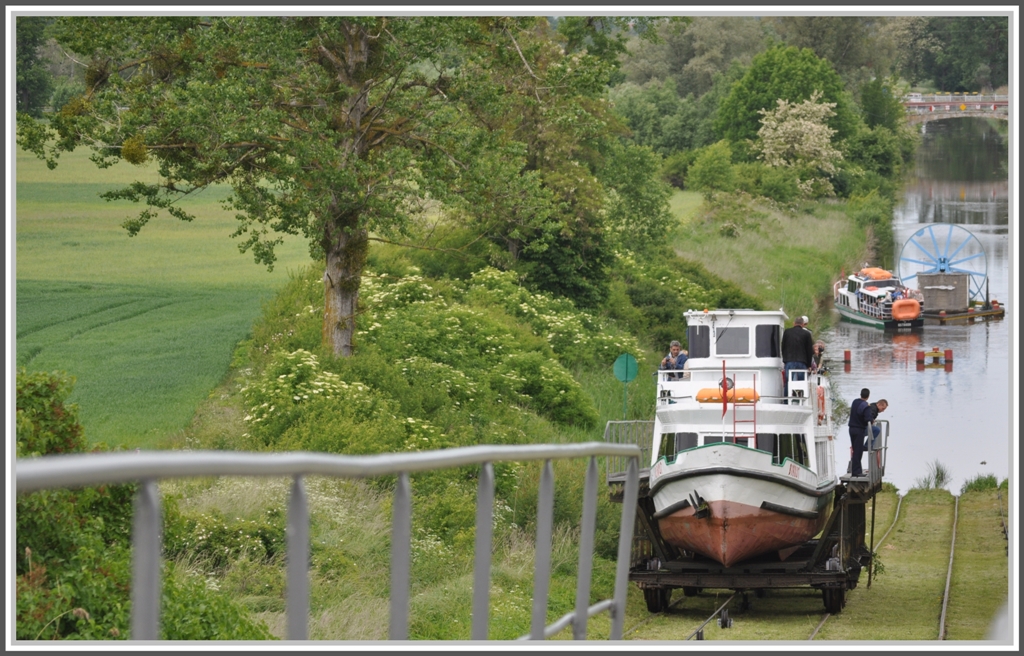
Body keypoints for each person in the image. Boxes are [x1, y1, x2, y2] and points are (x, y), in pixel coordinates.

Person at [781, 315, 815, 396]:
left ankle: (786, 400)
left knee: (788, 382)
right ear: (803, 324)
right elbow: (809, 350)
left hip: (789, 361)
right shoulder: (806, 334)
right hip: (802, 361)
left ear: (794, 323)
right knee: (801, 382)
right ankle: (801, 399)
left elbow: (783, 347)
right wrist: (809, 365)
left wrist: (784, 360)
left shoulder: (787, 332)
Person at [848, 388, 874, 477]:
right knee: (858, 451)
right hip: (859, 429)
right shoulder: (866, 405)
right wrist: (872, 420)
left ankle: (856, 469)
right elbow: (867, 419)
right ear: (868, 396)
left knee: (855, 449)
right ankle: (856, 472)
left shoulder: (855, 402)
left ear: (860, 394)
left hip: (851, 428)